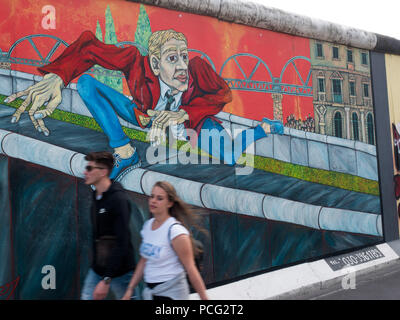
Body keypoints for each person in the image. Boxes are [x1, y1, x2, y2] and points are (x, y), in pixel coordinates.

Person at [5, 29, 283, 180]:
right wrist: (58, 77)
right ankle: (125, 152)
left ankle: (263, 129)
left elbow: (222, 94)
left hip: (191, 121)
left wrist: (183, 113)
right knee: (87, 84)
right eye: (172, 59)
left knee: (231, 154)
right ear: (154, 64)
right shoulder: (137, 63)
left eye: (183, 56)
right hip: (143, 115)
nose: (182, 65)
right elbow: (89, 46)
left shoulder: (198, 68)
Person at [121, 181, 208, 300]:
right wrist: (130, 289)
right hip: (151, 293)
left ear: (170, 203)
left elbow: (191, 269)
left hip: (171, 294)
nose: (153, 201)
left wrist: (205, 299)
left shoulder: (175, 231)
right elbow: (144, 260)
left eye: (159, 198)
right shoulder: (148, 226)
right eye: (152, 196)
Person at [81, 151, 137, 300]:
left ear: (103, 172)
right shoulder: (96, 197)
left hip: (121, 272)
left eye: (90, 168)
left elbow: (122, 240)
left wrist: (107, 278)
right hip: (98, 270)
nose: (85, 172)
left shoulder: (118, 199)